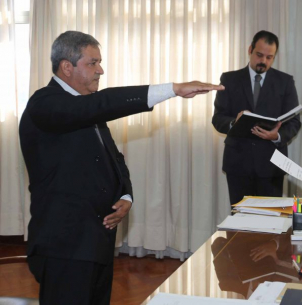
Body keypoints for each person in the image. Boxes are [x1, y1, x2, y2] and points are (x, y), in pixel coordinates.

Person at [19, 30, 223, 305]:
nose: (100, 70)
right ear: (66, 67)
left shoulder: (87, 107)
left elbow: (114, 159)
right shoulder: (44, 103)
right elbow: (101, 104)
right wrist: (172, 89)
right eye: (92, 63)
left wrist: (125, 195)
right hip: (65, 245)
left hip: (97, 241)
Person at [212, 30, 301, 205]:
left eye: (269, 57)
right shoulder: (229, 79)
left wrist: (277, 136)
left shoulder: (285, 81)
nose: (263, 61)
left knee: (271, 223)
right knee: (239, 222)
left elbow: (294, 122)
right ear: (250, 50)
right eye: (259, 55)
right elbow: (217, 118)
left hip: (272, 165)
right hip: (238, 164)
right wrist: (233, 123)